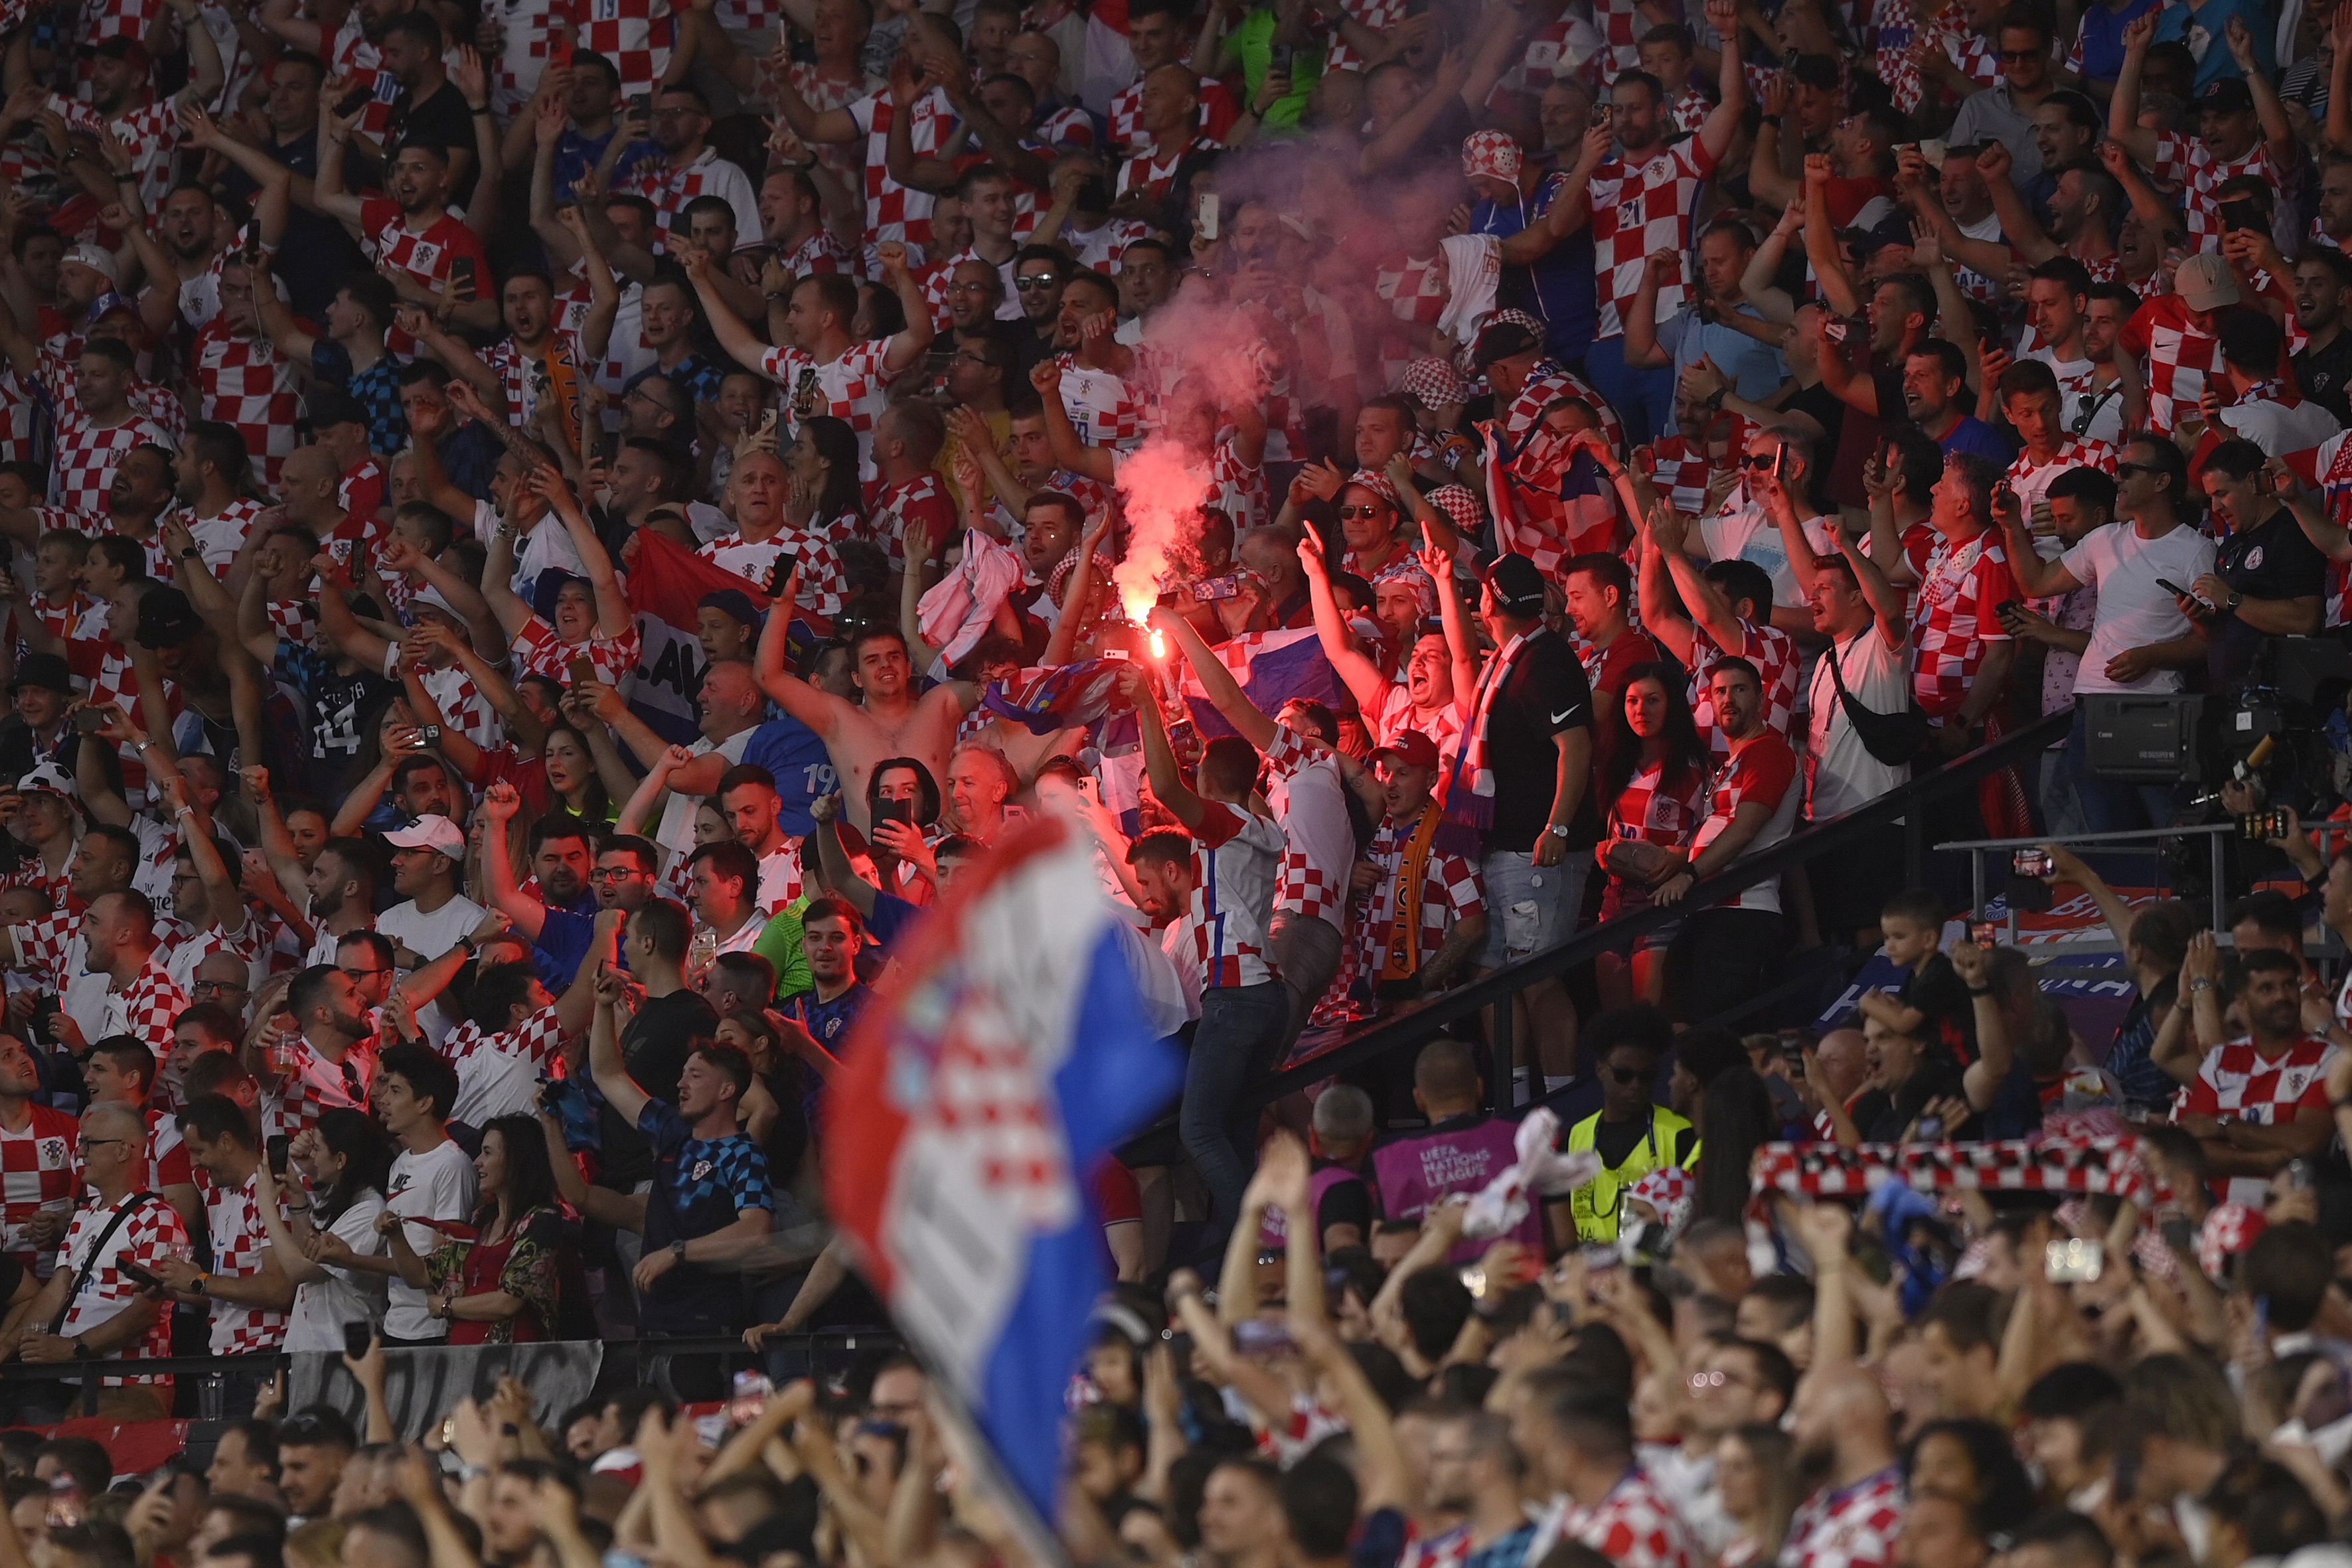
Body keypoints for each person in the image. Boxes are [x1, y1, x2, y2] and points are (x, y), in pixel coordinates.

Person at [0, 1101, 188, 1418]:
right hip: (74, 1379)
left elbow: (146, 1312)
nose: (80, 1153)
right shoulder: (84, 1215)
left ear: (124, 1151)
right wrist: (7, 1346)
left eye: (90, 1143)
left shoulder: (158, 1219)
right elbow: (56, 1291)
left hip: (129, 1383)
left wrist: (74, 1347)